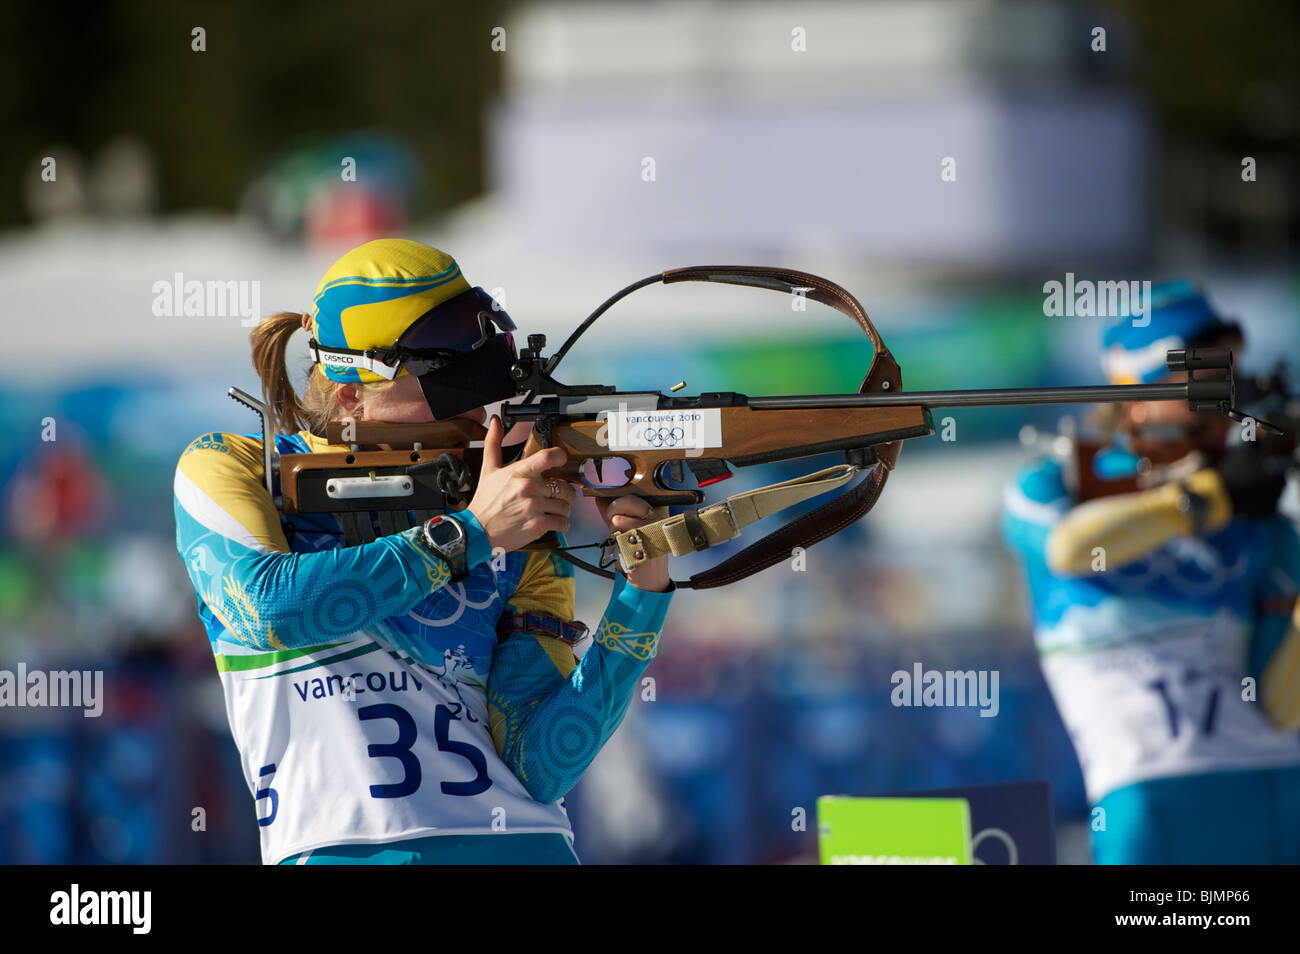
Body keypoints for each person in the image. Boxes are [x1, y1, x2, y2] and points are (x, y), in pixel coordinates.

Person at [174, 239, 674, 864]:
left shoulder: (503, 501)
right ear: (352, 391)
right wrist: (466, 536)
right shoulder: (231, 465)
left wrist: (643, 585)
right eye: (448, 387)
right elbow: (268, 610)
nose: (479, 409)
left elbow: (542, 765)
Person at [1002, 281, 1300, 864]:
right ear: (1136, 394)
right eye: (1209, 375)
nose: (1229, 394)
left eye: (1233, 374)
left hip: (1280, 802)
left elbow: (1279, 706)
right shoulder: (1051, 488)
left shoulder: (1266, 529)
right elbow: (1070, 548)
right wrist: (1209, 498)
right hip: (1151, 816)